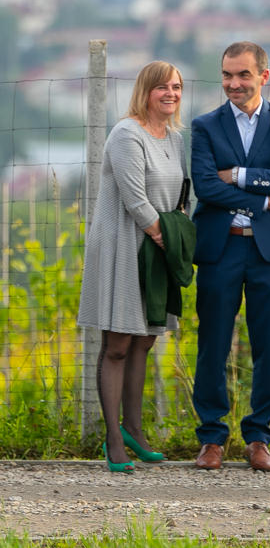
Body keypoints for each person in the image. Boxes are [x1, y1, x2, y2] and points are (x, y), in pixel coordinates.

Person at [190, 41, 270, 472]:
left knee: (268, 346)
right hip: (221, 249)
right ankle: (211, 438)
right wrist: (262, 201)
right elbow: (206, 186)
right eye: (226, 75)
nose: (233, 84)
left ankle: (258, 436)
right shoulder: (204, 126)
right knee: (213, 345)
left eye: (242, 75)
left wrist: (237, 177)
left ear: (264, 76)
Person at [78, 61, 186, 472]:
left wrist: (170, 234)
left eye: (176, 87)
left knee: (145, 338)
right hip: (124, 245)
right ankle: (112, 438)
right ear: (145, 91)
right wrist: (165, 237)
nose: (171, 94)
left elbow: (179, 195)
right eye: (162, 87)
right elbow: (134, 197)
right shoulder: (126, 134)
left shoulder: (174, 138)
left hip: (156, 247)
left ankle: (135, 430)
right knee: (119, 343)